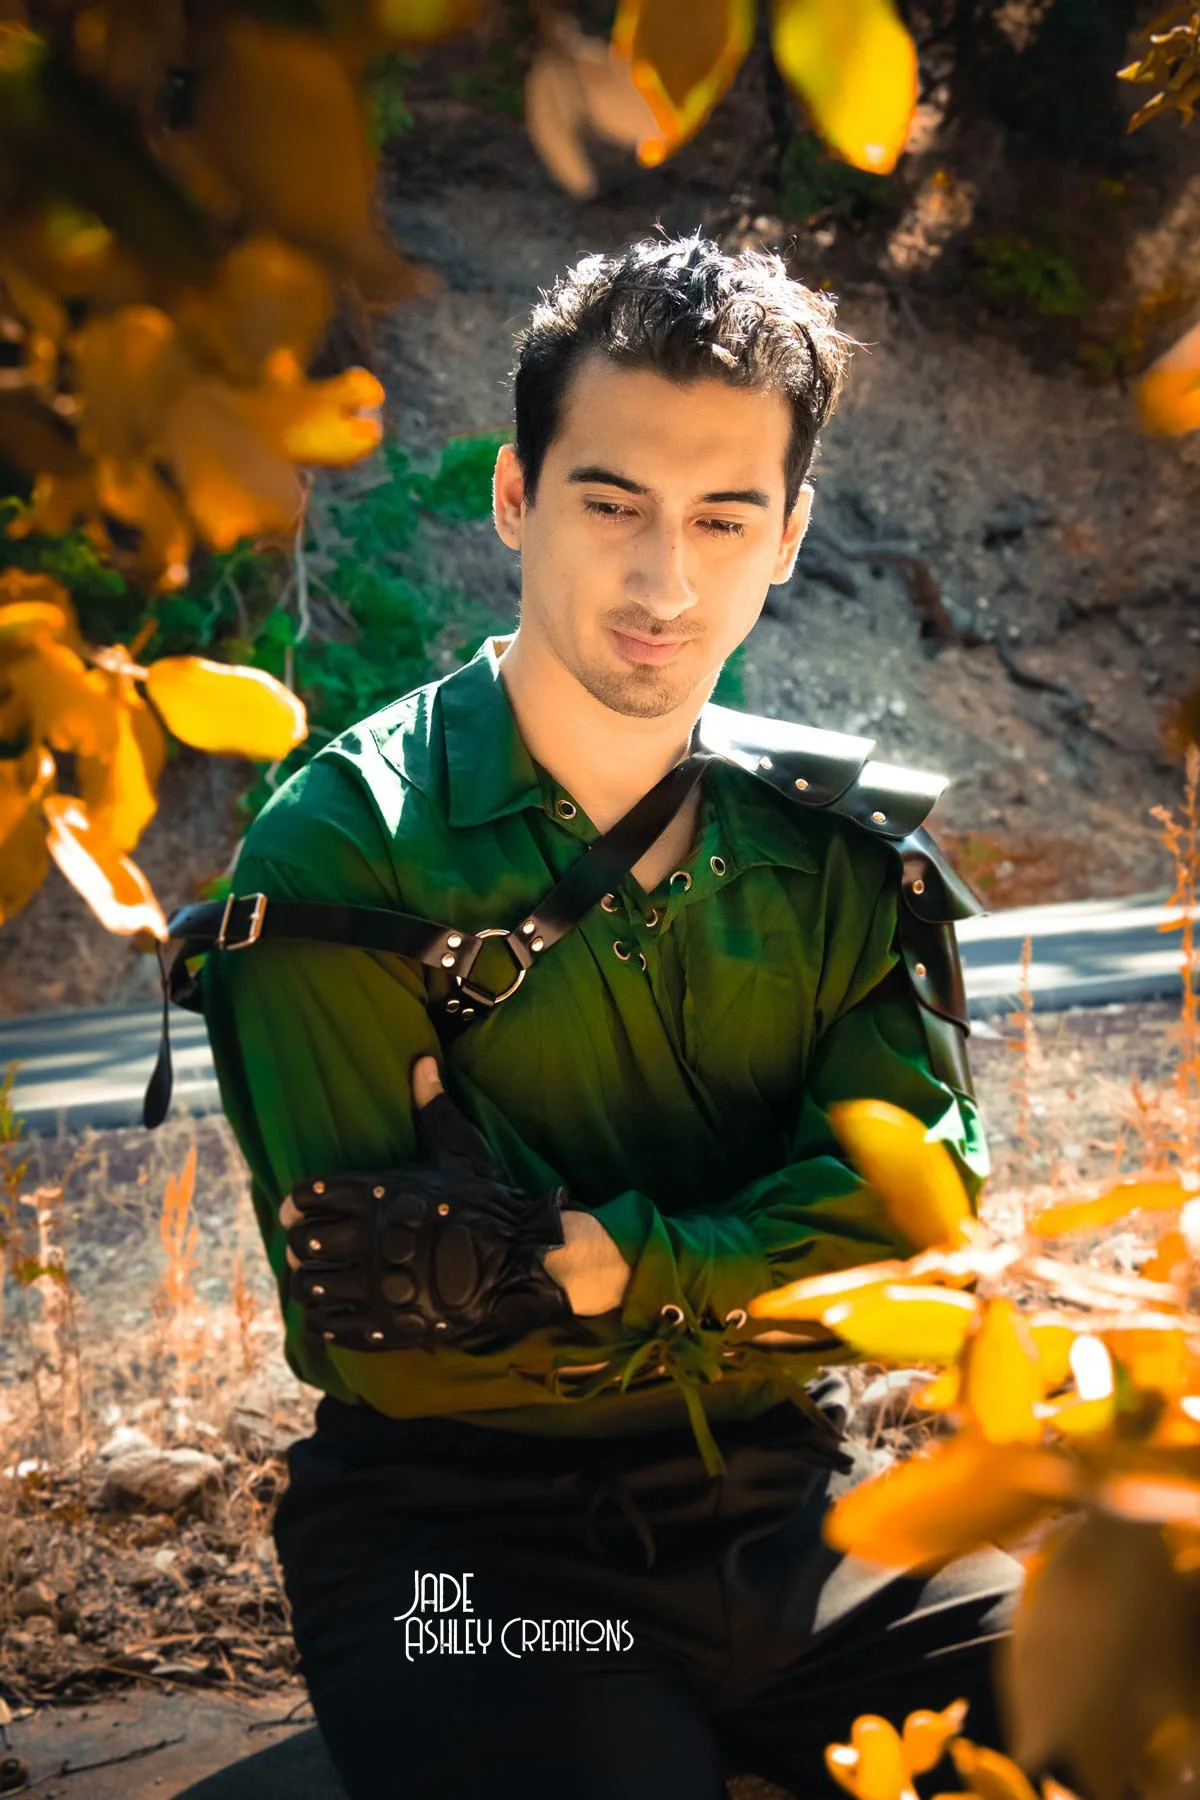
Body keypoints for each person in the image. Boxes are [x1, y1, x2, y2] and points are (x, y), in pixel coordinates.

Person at [198, 233, 1022, 1799]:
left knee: (1128, 1712)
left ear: (789, 535)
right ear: (516, 496)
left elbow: (920, 1234)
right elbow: (413, 1349)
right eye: (612, 504)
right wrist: (762, 1257)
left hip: (789, 1519)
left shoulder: (833, 855)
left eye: (722, 518)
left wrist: (613, 1263)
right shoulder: (342, 853)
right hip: (467, 1565)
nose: (665, 581)